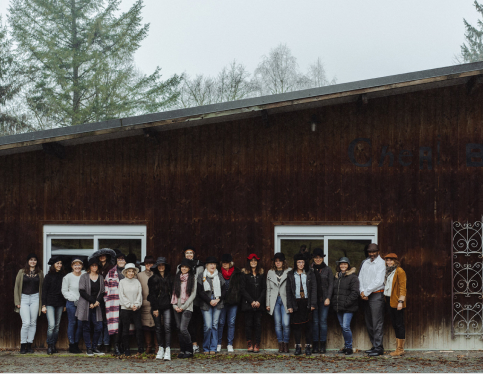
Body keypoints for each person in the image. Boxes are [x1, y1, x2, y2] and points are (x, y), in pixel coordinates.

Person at [286, 253, 317, 356]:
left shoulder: (310, 273)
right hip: (296, 302)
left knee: (308, 326)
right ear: (295, 263)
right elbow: (288, 291)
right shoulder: (290, 274)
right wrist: (289, 306)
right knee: (297, 326)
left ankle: (308, 346)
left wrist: (313, 303)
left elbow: (313, 289)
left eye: (302, 262)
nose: (301, 264)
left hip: (307, 302)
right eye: (299, 262)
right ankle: (298, 346)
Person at [359, 243, 386, 356]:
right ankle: (374, 345)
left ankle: (379, 347)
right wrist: (361, 291)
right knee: (369, 322)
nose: (371, 254)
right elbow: (360, 277)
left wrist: (366, 291)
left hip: (376, 295)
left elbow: (379, 281)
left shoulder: (381, 263)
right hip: (365, 295)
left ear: (378, 252)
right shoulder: (365, 263)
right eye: (370, 252)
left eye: (373, 252)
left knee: (377, 322)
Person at [14, 253, 44, 354]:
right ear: (27, 261)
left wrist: (42, 303)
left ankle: (29, 345)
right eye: (31, 260)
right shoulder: (21, 272)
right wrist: (17, 301)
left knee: (33, 322)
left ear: (36, 262)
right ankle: (23, 345)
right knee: (26, 322)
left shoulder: (40, 273)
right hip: (24, 298)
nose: (33, 262)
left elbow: (42, 288)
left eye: (34, 260)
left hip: (35, 298)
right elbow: (16, 287)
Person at [177, 245, 204, 354]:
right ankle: (185, 347)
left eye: (191, 253)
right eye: (187, 253)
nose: (189, 255)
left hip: (196, 298)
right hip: (183, 299)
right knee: (182, 325)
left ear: (194, 255)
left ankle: (194, 344)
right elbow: (177, 282)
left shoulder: (200, 266)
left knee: (194, 322)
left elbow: (201, 281)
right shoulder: (180, 266)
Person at [89, 248, 116, 352]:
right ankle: (99, 343)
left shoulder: (111, 267)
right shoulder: (97, 268)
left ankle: (107, 343)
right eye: (100, 256)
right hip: (98, 297)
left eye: (104, 255)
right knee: (98, 321)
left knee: (106, 322)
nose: (102, 257)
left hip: (109, 297)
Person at [76, 257, 105, 356]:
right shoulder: (84, 276)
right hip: (85, 305)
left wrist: (97, 302)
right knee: (86, 327)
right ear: (89, 267)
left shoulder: (100, 277)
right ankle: (88, 348)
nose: (94, 267)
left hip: (96, 306)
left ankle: (94, 347)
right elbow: (82, 291)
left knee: (99, 327)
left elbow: (102, 292)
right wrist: (92, 301)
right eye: (92, 265)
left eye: (96, 265)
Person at [197, 256, 226, 355]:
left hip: (218, 302)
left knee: (215, 325)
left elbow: (224, 290)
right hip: (206, 303)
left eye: (214, 264)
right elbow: (200, 291)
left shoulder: (219, 275)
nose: (212, 266)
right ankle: (206, 347)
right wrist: (210, 300)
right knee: (208, 326)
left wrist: (218, 299)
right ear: (206, 265)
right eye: (210, 264)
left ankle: (213, 348)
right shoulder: (202, 275)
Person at [331, 257, 359, 355]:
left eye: (345, 264)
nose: (343, 266)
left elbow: (355, 292)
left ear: (348, 265)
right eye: (341, 264)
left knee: (346, 326)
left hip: (348, 307)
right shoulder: (337, 276)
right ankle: (346, 346)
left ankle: (349, 347)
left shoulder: (353, 277)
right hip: (339, 307)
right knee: (343, 327)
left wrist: (346, 303)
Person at [148, 257, 174, 360]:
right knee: (158, 328)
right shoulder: (153, 279)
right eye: (159, 265)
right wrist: (155, 308)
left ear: (165, 266)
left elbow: (173, 293)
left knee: (167, 327)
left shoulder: (170, 278)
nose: (161, 267)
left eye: (163, 265)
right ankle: (161, 348)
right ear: (157, 267)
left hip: (167, 306)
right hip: (156, 307)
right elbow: (152, 295)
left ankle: (167, 349)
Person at [172, 258, 198, 359]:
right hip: (176, 306)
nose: (184, 268)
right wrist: (175, 306)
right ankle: (182, 350)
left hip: (187, 307)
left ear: (189, 269)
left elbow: (193, 294)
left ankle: (189, 349)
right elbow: (173, 293)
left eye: (186, 267)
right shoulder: (177, 278)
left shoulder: (193, 278)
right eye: (182, 267)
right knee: (179, 329)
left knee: (183, 328)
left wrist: (183, 307)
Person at [217, 253, 242, 353]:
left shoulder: (237, 272)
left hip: (233, 302)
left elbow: (240, 287)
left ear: (231, 263)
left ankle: (230, 344)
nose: (225, 264)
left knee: (231, 323)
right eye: (223, 262)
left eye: (227, 263)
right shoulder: (218, 272)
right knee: (221, 322)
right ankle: (219, 344)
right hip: (221, 301)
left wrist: (237, 297)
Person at [266, 252, 291, 353]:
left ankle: (286, 344)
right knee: (277, 324)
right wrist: (267, 303)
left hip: (285, 300)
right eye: (276, 261)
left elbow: (291, 289)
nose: (278, 263)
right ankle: (280, 345)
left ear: (283, 261)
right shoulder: (270, 272)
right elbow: (268, 289)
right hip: (274, 301)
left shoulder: (289, 271)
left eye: (280, 261)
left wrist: (291, 304)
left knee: (286, 324)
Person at [241, 253, 266, 353]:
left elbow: (264, 288)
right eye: (251, 261)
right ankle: (249, 343)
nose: (253, 262)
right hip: (248, 303)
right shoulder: (244, 274)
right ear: (249, 262)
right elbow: (242, 289)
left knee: (258, 324)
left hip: (259, 304)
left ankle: (257, 344)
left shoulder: (261, 274)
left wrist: (259, 301)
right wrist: (251, 301)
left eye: (255, 261)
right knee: (248, 324)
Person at [311, 247, 333, 354]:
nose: (318, 259)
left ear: (323, 258)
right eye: (316, 257)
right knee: (315, 322)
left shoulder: (327, 269)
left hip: (324, 300)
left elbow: (331, 285)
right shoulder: (310, 269)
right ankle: (315, 345)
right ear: (313, 259)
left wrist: (328, 297)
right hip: (313, 300)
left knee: (323, 322)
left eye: (320, 257)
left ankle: (323, 345)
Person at [104, 251, 127, 355]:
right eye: (119, 259)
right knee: (115, 325)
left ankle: (123, 345)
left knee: (124, 325)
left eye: (123, 259)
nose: (121, 261)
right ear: (116, 261)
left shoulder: (129, 271)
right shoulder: (111, 272)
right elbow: (106, 288)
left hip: (126, 302)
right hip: (114, 302)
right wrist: (106, 301)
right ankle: (116, 346)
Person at [383, 253, 407, 356]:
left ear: (395, 261)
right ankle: (398, 348)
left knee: (399, 324)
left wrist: (401, 301)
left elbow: (403, 287)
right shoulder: (388, 271)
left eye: (391, 260)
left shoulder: (399, 271)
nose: (389, 262)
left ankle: (400, 349)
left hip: (397, 301)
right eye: (387, 260)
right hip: (388, 300)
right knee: (394, 324)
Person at [42, 256, 66, 355]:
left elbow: (64, 291)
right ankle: (49, 345)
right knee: (51, 325)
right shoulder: (48, 277)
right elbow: (44, 291)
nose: (59, 265)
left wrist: (64, 304)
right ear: (53, 265)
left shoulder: (63, 276)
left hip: (60, 303)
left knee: (57, 326)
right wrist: (43, 305)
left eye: (60, 263)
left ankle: (53, 346)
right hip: (50, 303)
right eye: (57, 263)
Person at [119, 263, 144, 356]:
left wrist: (136, 305)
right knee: (125, 329)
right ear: (125, 272)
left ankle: (140, 348)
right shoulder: (122, 282)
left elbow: (139, 295)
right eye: (129, 271)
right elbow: (122, 296)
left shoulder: (137, 282)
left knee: (138, 328)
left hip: (136, 309)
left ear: (134, 273)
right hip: (125, 309)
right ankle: (127, 349)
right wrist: (130, 305)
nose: (130, 273)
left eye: (132, 271)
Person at [62, 258, 86, 353]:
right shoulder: (67, 277)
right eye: (75, 265)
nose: (77, 267)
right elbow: (64, 291)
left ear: (82, 266)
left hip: (82, 302)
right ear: (72, 266)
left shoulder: (84, 275)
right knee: (72, 323)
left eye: (79, 265)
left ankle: (76, 343)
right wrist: (71, 298)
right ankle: (71, 344)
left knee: (80, 324)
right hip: (71, 302)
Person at [138, 255, 157, 354]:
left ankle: (157, 346)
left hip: (156, 304)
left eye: (151, 263)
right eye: (147, 263)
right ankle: (148, 346)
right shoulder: (140, 275)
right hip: (144, 303)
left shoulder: (157, 274)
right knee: (146, 326)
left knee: (156, 325)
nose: (149, 265)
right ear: (144, 264)